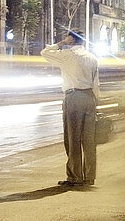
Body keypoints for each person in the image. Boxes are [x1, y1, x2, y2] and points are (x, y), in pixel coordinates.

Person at [41, 29, 101, 187]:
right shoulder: (92, 58)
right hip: (89, 98)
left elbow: (45, 52)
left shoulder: (67, 56)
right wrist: (96, 102)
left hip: (73, 98)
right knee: (89, 140)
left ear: (71, 39)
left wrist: (61, 43)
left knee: (73, 138)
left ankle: (75, 177)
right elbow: (96, 84)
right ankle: (89, 177)